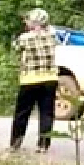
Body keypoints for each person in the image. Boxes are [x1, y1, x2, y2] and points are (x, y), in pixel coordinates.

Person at [9, 8, 59, 152]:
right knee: (46, 113)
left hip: (29, 79)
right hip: (50, 78)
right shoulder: (52, 35)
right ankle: (43, 144)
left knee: (22, 113)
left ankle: (16, 143)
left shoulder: (25, 37)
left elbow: (16, 47)